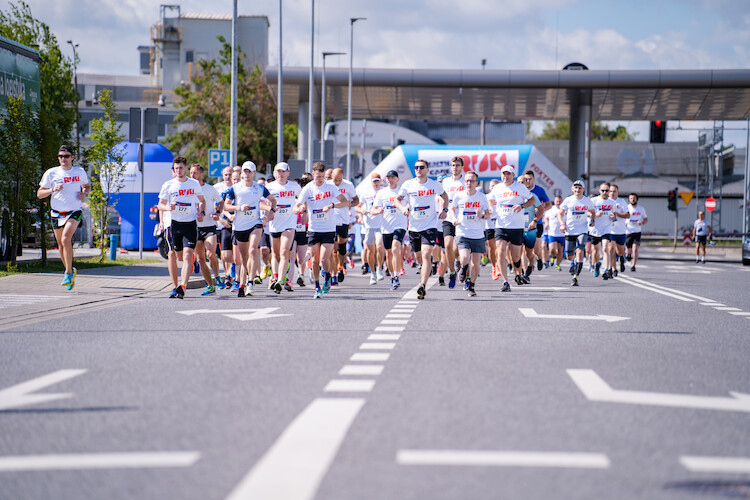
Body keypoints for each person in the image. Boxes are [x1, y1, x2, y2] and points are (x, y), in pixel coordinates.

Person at [37, 145, 91, 290]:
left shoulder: (79, 172)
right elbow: (39, 194)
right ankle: (70, 270)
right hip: (56, 212)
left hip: (74, 210)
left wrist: (84, 194)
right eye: (60, 156)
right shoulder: (51, 173)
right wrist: (52, 189)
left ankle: (67, 273)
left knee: (66, 239)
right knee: (60, 245)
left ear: (72, 157)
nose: (63, 159)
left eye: (66, 156)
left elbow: (86, 186)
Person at [394, 159, 449, 300]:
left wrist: (445, 210)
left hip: (429, 224)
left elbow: (444, 196)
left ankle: (422, 285)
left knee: (425, 254)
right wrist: (403, 208)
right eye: (416, 167)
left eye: (421, 167)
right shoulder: (408, 184)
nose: (418, 169)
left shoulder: (434, 184)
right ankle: (426, 264)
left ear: (427, 169)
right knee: (419, 257)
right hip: (413, 226)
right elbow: (397, 200)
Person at [294, 162, 349, 298]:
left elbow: (345, 202)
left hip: (328, 228)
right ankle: (317, 287)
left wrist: (331, 205)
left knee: (324, 259)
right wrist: (300, 209)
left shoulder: (330, 187)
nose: (320, 180)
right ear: (313, 174)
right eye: (318, 176)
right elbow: (296, 207)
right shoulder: (307, 188)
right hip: (313, 229)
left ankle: (328, 276)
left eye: (322, 177)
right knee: (314, 260)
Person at [223, 161, 276, 297]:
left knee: (253, 250)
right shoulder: (235, 188)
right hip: (240, 226)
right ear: (242, 174)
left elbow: (272, 200)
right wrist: (238, 208)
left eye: (249, 171)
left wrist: (271, 211)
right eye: (244, 171)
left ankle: (250, 282)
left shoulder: (260, 188)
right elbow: (226, 206)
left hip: (255, 224)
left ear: (254, 173)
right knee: (244, 257)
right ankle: (242, 283)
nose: (246, 174)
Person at [158, 156, 206, 298]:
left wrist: (201, 212)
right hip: (174, 224)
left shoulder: (194, 184)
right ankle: (179, 280)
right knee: (176, 255)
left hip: (190, 223)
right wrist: (168, 207)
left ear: (186, 168)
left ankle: (182, 287)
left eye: (181, 168)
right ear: (174, 169)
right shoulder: (168, 185)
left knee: (187, 254)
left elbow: (202, 200)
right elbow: (160, 204)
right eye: (176, 168)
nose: (179, 170)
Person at [487, 165, 535, 292]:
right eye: (503, 174)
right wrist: (491, 208)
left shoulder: (520, 187)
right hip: (501, 226)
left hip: (516, 226)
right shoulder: (497, 188)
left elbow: (532, 199)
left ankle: (518, 273)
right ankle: (505, 281)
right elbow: (489, 199)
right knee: (500, 251)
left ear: (513, 175)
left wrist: (522, 206)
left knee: (515, 257)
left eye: (508, 174)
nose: (505, 176)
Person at [450, 171, 491, 296]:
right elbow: (452, 208)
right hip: (462, 232)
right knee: (464, 257)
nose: (469, 183)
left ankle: (471, 285)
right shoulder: (459, 195)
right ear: (464, 182)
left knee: (476, 263)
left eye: (472, 181)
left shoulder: (482, 197)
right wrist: (454, 219)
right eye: (467, 180)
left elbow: (488, 214)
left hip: (477, 234)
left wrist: (481, 215)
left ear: (476, 183)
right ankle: (463, 267)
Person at [266, 162, 301, 293]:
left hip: (289, 223)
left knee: (284, 251)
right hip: (274, 224)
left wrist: (300, 208)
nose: (280, 174)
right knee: (275, 254)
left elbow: (302, 201)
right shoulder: (269, 187)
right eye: (278, 171)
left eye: (283, 172)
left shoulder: (295, 186)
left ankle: (280, 281)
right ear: (274, 173)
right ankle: (275, 276)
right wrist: (270, 210)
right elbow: (261, 203)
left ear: (288, 173)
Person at [189, 164, 223, 295]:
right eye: (191, 173)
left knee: (210, 254)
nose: (192, 175)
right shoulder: (188, 189)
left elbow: (221, 202)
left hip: (209, 226)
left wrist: (218, 213)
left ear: (201, 174)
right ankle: (210, 285)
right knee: (200, 259)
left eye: (195, 173)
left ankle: (218, 277)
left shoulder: (209, 189)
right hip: (195, 227)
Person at [372, 169, 408, 290]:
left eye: (392, 178)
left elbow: (410, 203)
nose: (390, 180)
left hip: (400, 224)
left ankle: (397, 276)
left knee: (395, 249)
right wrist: (378, 211)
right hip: (386, 227)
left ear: (397, 179)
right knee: (388, 253)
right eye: (388, 178)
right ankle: (392, 276)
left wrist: (406, 207)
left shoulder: (402, 191)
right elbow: (373, 209)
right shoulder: (382, 193)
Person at [558, 180, 596, 286]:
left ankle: (575, 277)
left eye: (580, 188)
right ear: (572, 189)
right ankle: (572, 263)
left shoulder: (587, 201)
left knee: (580, 251)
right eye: (575, 188)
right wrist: (562, 224)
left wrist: (593, 220)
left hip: (582, 230)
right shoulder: (568, 200)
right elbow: (560, 213)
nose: (577, 190)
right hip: (570, 230)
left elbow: (593, 212)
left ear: (583, 189)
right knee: (570, 255)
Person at [441, 157, 466, 288]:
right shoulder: (445, 181)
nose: (455, 167)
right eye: (453, 165)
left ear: (462, 167)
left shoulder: (466, 181)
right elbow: (441, 198)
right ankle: (452, 272)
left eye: (457, 165)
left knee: (461, 249)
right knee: (448, 245)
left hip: (462, 218)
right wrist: (442, 210)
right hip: (448, 218)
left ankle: (464, 270)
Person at [331, 168, 359, 284]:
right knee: (333, 250)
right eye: (334, 180)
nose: (337, 183)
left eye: (339, 180)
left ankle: (340, 267)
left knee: (341, 248)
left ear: (343, 177)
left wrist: (349, 204)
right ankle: (333, 275)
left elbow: (356, 200)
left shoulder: (348, 185)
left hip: (343, 220)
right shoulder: (328, 185)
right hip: (330, 220)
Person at [357, 174, 386, 285]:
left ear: (380, 182)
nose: (376, 183)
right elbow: (357, 207)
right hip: (369, 225)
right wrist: (363, 211)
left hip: (381, 225)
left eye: (377, 181)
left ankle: (379, 269)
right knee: (370, 250)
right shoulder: (366, 193)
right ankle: (372, 273)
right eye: (374, 181)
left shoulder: (384, 191)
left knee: (379, 245)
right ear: (371, 182)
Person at [213, 166, 234, 288]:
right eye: (226, 174)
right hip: (220, 224)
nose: (228, 177)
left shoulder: (237, 187)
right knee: (224, 254)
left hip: (234, 224)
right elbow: (216, 207)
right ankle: (228, 274)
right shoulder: (217, 187)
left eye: (230, 174)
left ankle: (229, 276)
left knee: (232, 252)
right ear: (222, 175)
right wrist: (221, 220)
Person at [589, 182, 614, 279]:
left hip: (606, 228)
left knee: (605, 248)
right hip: (595, 229)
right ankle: (596, 265)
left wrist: (613, 217)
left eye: (606, 190)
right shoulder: (594, 201)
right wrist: (594, 215)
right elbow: (587, 212)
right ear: (599, 191)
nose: (604, 192)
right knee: (595, 251)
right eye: (602, 190)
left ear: (609, 191)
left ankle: (607, 270)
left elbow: (613, 215)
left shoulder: (612, 203)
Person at [607, 184, 630, 276]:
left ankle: (621, 258)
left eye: (614, 191)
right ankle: (613, 269)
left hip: (620, 231)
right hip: (609, 231)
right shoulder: (605, 202)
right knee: (610, 249)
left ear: (617, 192)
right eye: (611, 191)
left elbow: (628, 215)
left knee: (619, 251)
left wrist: (617, 213)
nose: (612, 193)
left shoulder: (622, 202)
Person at [625, 193, 648, 271]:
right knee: (629, 250)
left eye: (634, 198)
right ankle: (628, 255)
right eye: (631, 198)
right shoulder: (626, 208)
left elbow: (646, 219)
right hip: (628, 231)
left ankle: (633, 265)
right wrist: (625, 223)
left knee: (635, 249)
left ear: (637, 199)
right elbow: (622, 218)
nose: (633, 199)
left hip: (637, 231)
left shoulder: (641, 209)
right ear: (629, 199)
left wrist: (642, 222)